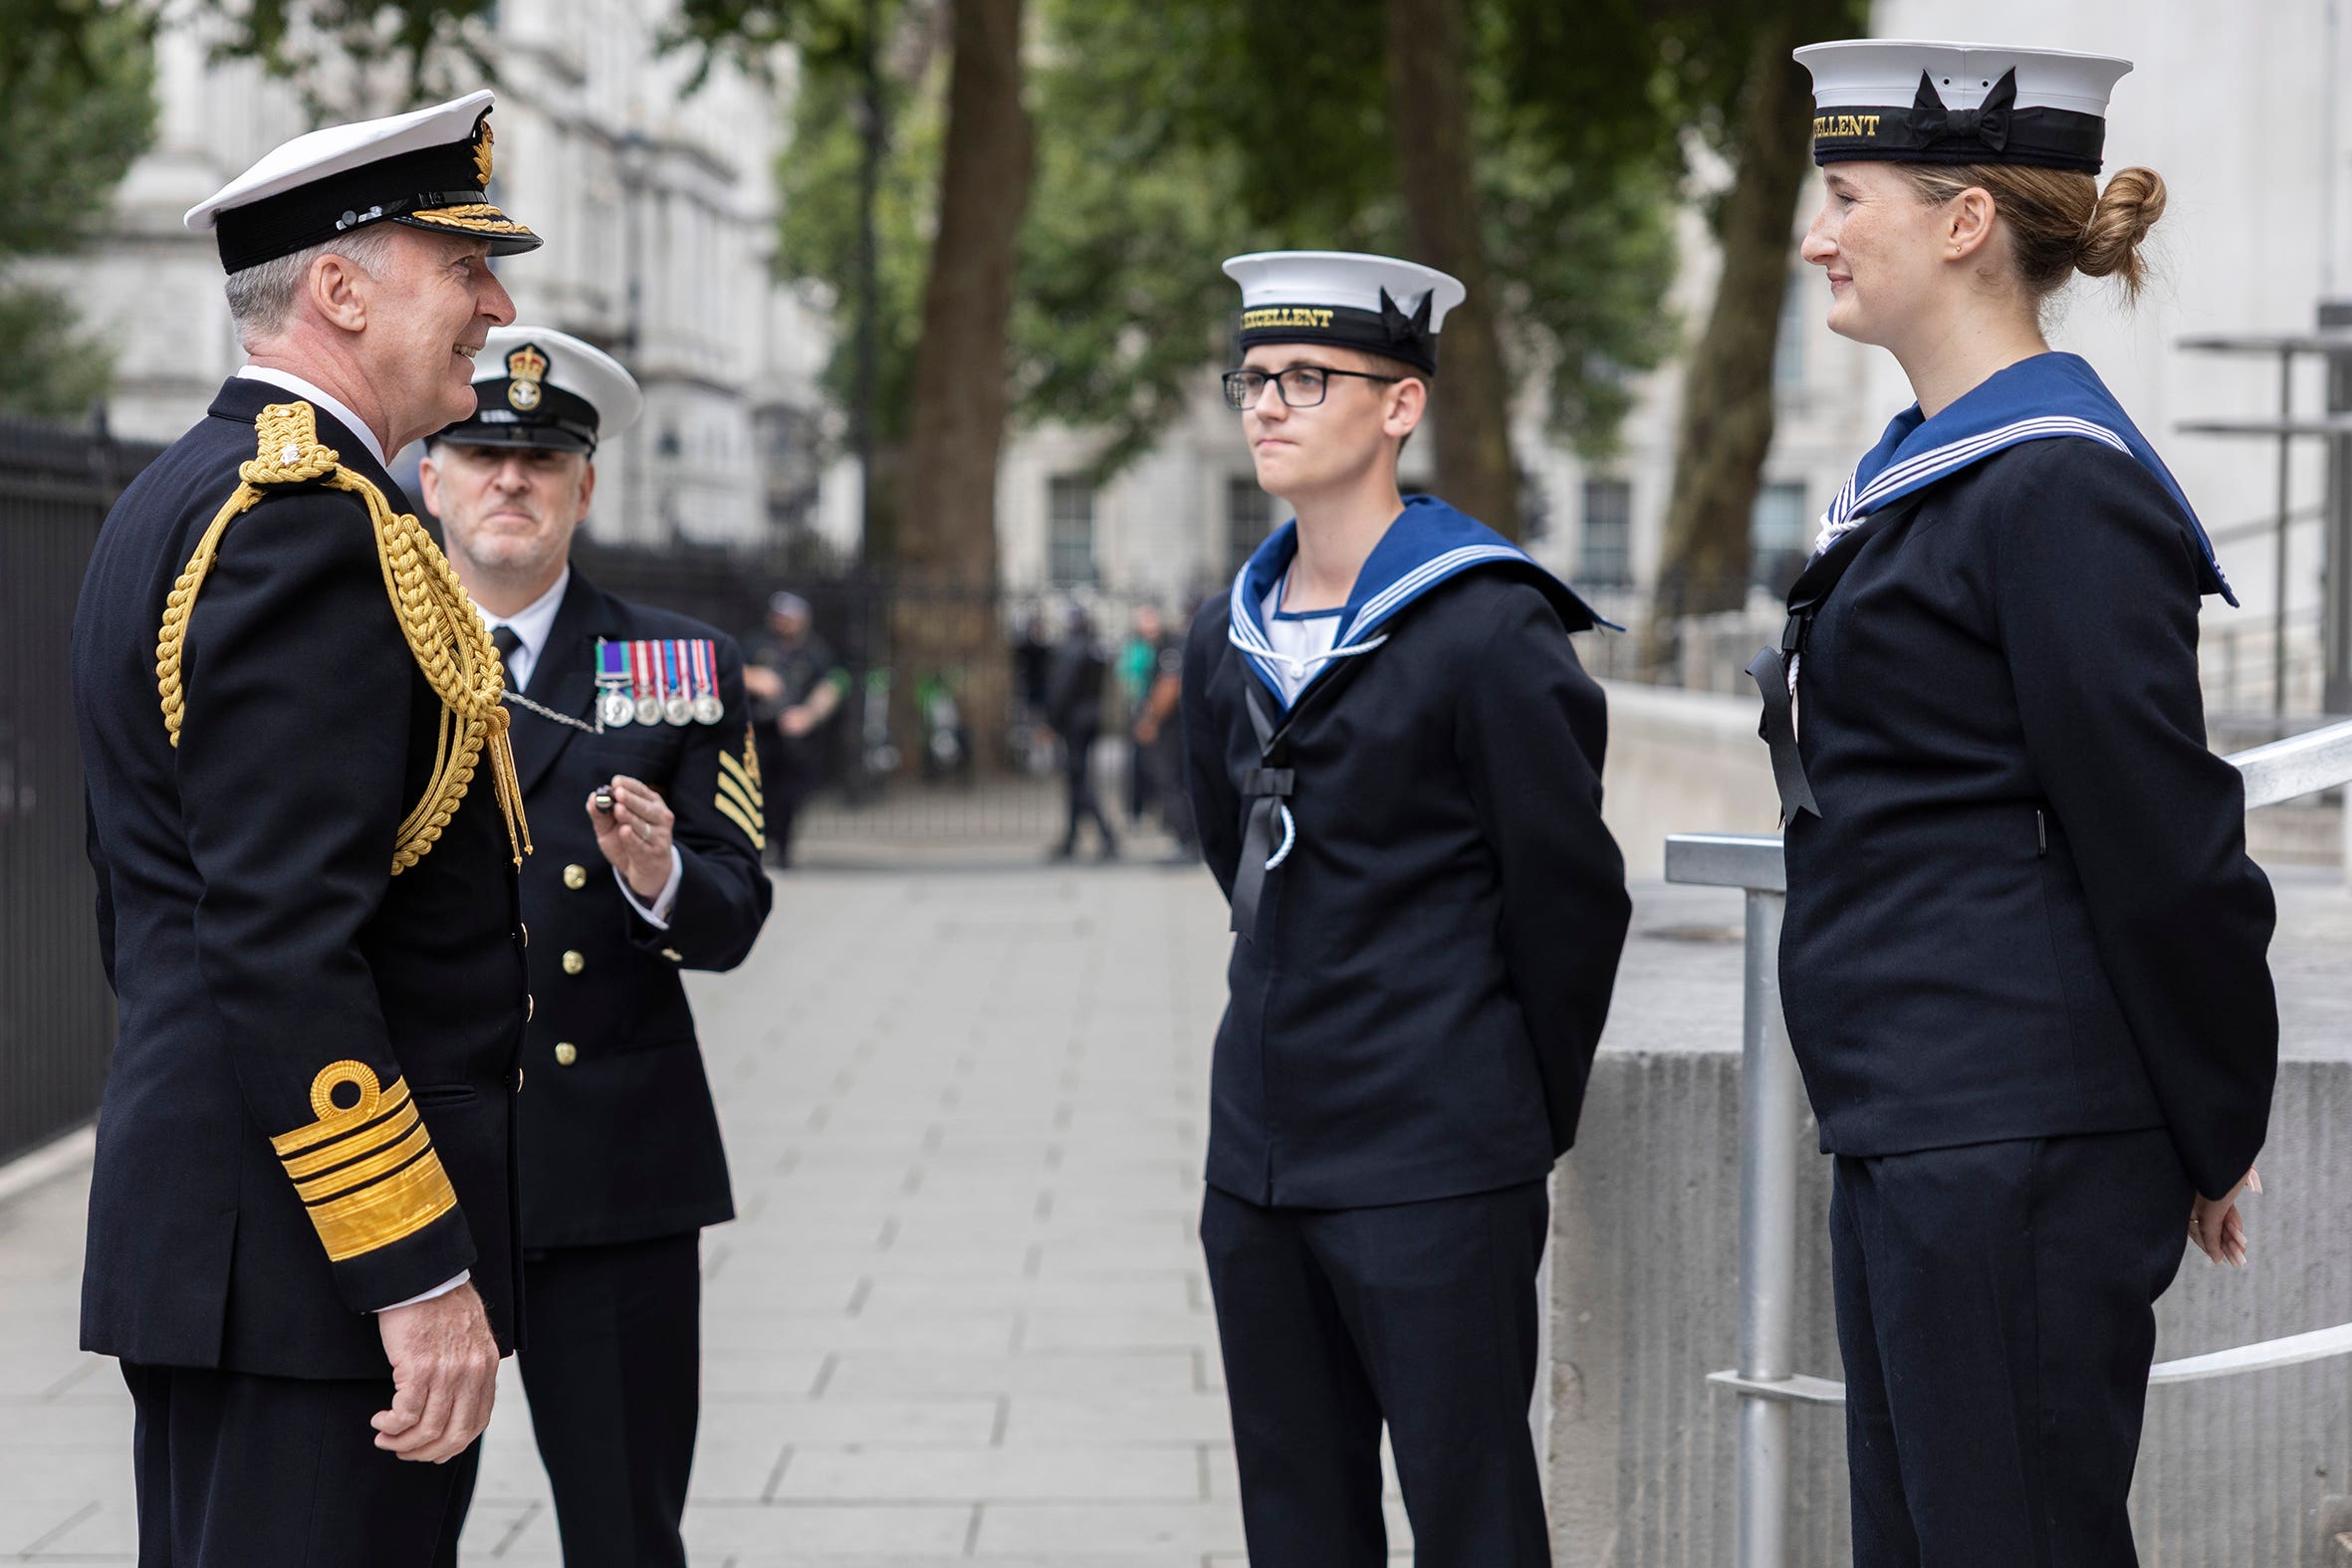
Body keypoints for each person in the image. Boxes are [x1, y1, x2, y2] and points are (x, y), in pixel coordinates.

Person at [1757, 42, 2278, 1565]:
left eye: (1845, 195)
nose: (1816, 233)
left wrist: (2213, 1113)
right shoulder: (1934, 469)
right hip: (1919, 1110)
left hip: (2013, 1127)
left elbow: (2162, 835)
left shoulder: (2055, 484)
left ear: (1964, 219)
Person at [70, 93, 541, 1566]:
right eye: (461, 267)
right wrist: (411, 1264)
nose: (496, 305)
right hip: (309, 1270)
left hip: (244, 1246)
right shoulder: (298, 520)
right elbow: (276, 933)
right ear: (339, 288)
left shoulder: (195, 489)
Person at [1179, 250, 1630, 1567]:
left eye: (1306, 378)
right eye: (1252, 378)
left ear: (1398, 405)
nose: (1266, 403)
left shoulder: (1486, 626)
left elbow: (1568, 902)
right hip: (1257, 1154)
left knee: (1470, 1514)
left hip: (1436, 1155)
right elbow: (1240, 857)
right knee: (1296, 1521)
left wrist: (1503, 1107)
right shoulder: (1225, 630)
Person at [421, 326, 775, 1566]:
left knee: (625, 1528)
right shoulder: (378, 653)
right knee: (384, 1527)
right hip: (417, 1171)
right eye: (479, 451)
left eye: (542, 457)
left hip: (612, 1163)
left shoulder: (670, 667)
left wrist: (659, 874)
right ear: (433, 479)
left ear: (585, 484)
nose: (509, 478)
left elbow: (735, 914)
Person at [743, 590, 847, 866]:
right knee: (756, 790)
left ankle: (784, 847)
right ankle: (757, 844)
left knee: (791, 794)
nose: (783, 622)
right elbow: (730, 669)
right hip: (761, 731)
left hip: (795, 737)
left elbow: (834, 684)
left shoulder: (816, 651)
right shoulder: (756, 644)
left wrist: (808, 714)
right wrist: (754, 678)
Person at [1046, 604, 1118, 860]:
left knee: (1079, 779)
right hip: (1090, 719)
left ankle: (1105, 834)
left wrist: (1051, 721)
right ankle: (1071, 837)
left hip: (1074, 722)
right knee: (1076, 777)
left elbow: (1060, 689)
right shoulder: (1093, 647)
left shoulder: (1071, 649)